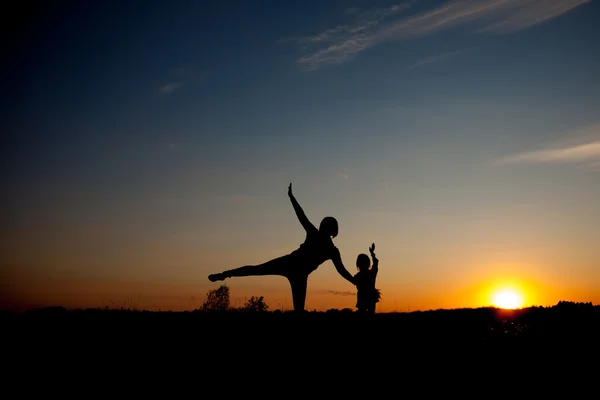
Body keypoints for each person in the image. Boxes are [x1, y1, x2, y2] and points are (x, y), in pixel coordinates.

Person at [208, 183, 356, 312]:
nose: (321, 228)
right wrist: (292, 198)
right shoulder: (325, 244)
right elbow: (301, 216)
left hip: (297, 272)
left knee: (296, 307)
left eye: (324, 226)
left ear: (329, 229)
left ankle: (225, 274)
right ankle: (224, 274)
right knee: (257, 269)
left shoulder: (328, 247)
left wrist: (292, 198)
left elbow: (342, 271)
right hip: (292, 266)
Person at [354, 243, 381, 314]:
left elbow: (375, 263)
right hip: (371, 297)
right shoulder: (372, 273)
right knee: (370, 314)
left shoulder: (357, 276)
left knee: (362, 313)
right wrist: (372, 253)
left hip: (362, 298)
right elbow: (376, 262)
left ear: (358, 264)